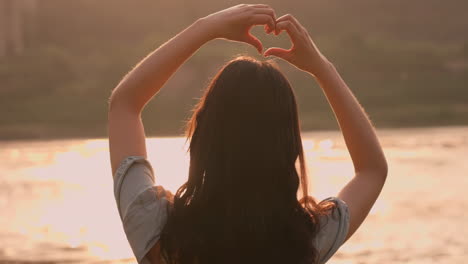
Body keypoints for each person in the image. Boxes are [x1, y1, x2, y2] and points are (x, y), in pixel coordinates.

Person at [108, 4, 388, 264]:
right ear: (288, 145)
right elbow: (372, 169)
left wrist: (206, 27)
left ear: (204, 133)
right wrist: (322, 68)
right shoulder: (307, 239)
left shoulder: (159, 232)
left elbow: (125, 104)